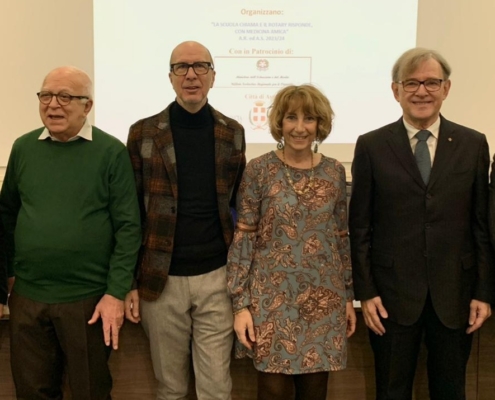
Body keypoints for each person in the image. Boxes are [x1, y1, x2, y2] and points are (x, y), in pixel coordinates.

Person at [349, 47, 495, 400]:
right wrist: (365, 292)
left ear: (446, 88)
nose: (421, 92)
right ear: (395, 90)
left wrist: (483, 292)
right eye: (411, 83)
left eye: (431, 82)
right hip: (390, 298)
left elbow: (481, 225)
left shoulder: (473, 144)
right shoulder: (371, 145)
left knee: (450, 391)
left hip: (455, 295)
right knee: (391, 391)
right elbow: (360, 227)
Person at [0, 66, 142, 399]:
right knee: (31, 392)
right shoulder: (23, 147)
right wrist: (8, 275)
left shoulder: (111, 152)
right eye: (46, 96)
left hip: (88, 301)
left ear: (87, 106)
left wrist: (115, 292)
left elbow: (128, 227)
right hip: (29, 297)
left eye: (65, 97)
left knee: (90, 392)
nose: (53, 105)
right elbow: (6, 216)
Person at [125, 40, 246, 400]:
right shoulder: (143, 133)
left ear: (213, 76)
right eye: (182, 67)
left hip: (217, 277)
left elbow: (238, 206)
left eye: (200, 67)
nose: (191, 75)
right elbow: (131, 212)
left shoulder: (232, 131)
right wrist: (130, 282)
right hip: (160, 280)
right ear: (171, 76)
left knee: (216, 388)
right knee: (170, 389)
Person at [227, 84, 356, 400]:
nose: (300, 127)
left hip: (324, 302)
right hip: (271, 301)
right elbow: (244, 238)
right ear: (279, 123)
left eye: (309, 118)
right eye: (291, 118)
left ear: (319, 124)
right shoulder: (259, 169)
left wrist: (348, 297)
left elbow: (340, 239)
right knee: (272, 391)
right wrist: (240, 304)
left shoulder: (334, 171)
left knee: (314, 392)